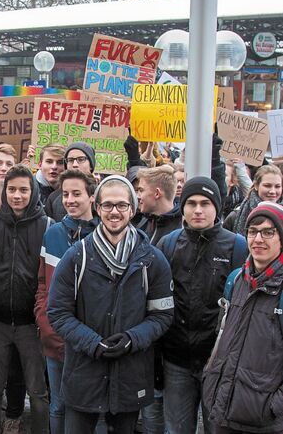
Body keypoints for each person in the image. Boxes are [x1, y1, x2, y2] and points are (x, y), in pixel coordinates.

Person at [48, 175, 173, 434]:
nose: (114, 212)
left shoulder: (153, 259)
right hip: (84, 371)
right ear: (97, 207)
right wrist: (92, 343)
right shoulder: (76, 257)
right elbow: (58, 313)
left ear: (132, 208)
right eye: (107, 205)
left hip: (130, 372)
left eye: (121, 205)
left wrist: (132, 338)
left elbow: (162, 315)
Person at [156, 177, 248, 434]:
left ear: (217, 207)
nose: (198, 210)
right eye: (192, 203)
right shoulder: (169, 244)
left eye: (205, 203)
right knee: (175, 429)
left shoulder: (237, 246)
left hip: (218, 363)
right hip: (177, 360)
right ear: (182, 207)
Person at [0, 164, 51, 434]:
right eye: (12, 189)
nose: (17, 195)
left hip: (32, 324)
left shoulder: (47, 226)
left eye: (24, 190)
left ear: (34, 191)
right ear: (4, 191)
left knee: (38, 392)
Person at [203, 202, 283, 434]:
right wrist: (211, 380)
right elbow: (222, 336)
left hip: (264, 420)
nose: (258, 239)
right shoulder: (237, 279)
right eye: (253, 231)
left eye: (268, 232)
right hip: (225, 408)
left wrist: (274, 406)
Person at [35, 170, 98, 434]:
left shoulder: (103, 236)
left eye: (77, 194)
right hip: (56, 339)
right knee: (58, 406)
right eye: (65, 194)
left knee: (92, 408)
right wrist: (44, 319)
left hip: (91, 342)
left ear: (92, 197)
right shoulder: (53, 235)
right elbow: (41, 283)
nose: (70, 200)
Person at [44, 142, 96, 222]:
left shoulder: (103, 195)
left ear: (91, 165)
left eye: (81, 159)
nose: (75, 164)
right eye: (70, 160)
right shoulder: (54, 198)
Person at [225, 164, 283, 234]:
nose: (272, 191)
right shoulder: (234, 217)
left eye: (277, 186)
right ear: (256, 186)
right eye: (267, 186)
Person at [135, 165, 182, 244]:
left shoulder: (181, 230)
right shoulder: (145, 221)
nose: (138, 196)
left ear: (157, 193)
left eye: (141, 190)